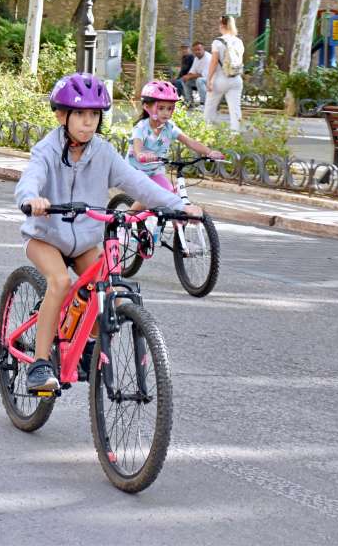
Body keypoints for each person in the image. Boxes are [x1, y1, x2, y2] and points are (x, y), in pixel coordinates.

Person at [15, 73, 204, 393]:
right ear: (62, 115)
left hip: (85, 239)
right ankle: (40, 363)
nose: (88, 123)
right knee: (60, 282)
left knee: (107, 290)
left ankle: (87, 346)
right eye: (80, 115)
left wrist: (178, 205)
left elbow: (137, 182)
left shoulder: (102, 152)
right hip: (45, 235)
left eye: (94, 115)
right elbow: (31, 178)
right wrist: (32, 200)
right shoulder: (47, 149)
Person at [126, 81, 224, 201]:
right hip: (136, 172)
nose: (166, 113)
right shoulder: (141, 128)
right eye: (161, 108)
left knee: (170, 196)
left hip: (155, 171)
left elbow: (190, 142)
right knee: (151, 196)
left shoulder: (169, 127)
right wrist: (142, 154)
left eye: (169, 108)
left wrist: (209, 152)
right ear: (147, 107)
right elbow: (137, 149)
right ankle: (129, 218)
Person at [205, 16, 245, 133]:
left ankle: (207, 132)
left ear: (222, 26)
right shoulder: (239, 41)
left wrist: (208, 79)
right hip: (236, 79)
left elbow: (213, 61)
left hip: (220, 79)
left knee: (210, 107)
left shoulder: (217, 42)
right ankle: (235, 135)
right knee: (235, 109)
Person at [183, 41, 210, 106]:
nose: (197, 52)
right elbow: (192, 71)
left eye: (199, 49)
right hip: (204, 80)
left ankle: (204, 103)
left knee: (199, 80)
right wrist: (186, 77)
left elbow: (203, 75)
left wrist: (190, 76)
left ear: (203, 49)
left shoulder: (208, 58)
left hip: (212, 80)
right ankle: (189, 102)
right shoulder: (196, 59)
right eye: (195, 50)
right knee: (186, 81)